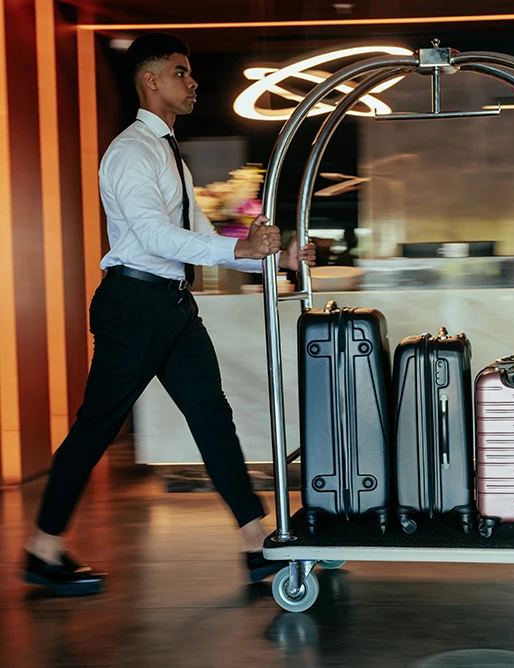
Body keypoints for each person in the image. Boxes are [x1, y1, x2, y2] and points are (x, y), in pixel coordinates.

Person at [22, 32, 315, 596]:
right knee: (95, 430)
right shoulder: (131, 150)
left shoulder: (169, 155)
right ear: (151, 81)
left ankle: (257, 544)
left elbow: (198, 238)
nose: (193, 80)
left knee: (212, 417)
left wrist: (277, 259)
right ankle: (42, 547)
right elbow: (155, 237)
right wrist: (241, 250)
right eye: (182, 71)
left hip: (172, 306)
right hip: (133, 306)